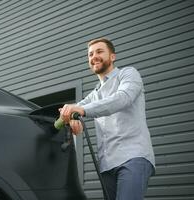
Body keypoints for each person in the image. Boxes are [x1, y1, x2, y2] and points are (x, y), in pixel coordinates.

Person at [59, 38, 155, 200]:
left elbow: (122, 98)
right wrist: (71, 118)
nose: (94, 56)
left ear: (112, 57)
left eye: (99, 51)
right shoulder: (95, 93)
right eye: (90, 54)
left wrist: (81, 110)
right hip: (107, 166)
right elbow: (74, 108)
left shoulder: (128, 74)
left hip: (133, 158)